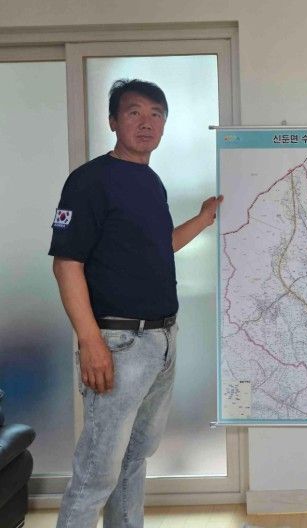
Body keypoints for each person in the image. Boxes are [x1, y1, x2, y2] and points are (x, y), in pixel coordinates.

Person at [49, 78, 223, 528]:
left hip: (162, 339)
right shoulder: (90, 181)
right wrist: (90, 341)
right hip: (118, 342)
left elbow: (159, 247)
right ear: (113, 121)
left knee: (133, 458)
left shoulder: (150, 181)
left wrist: (203, 219)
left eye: (155, 114)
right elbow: (66, 264)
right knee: (96, 472)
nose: (146, 123)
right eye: (134, 112)